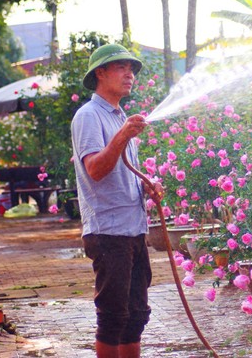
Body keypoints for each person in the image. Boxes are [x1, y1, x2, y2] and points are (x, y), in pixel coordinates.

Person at [71, 44, 162, 358]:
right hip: (108, 231)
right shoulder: (88, 116)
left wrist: (146, 186)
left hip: (133, 229)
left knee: (136, 315)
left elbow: (121, 172)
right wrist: (122, 135)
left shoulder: (120, 116)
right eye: (121, 67)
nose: (130, 75)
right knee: (113, 317)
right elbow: (95, 169)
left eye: (132, 69)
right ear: (100, 72)